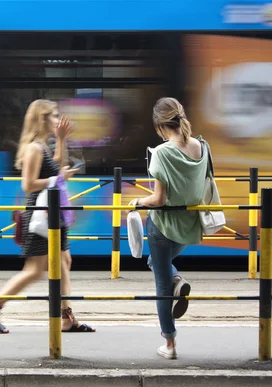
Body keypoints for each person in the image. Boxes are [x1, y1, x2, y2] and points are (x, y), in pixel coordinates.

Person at [0, 99, 95, 334]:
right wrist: (58, 179)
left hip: (52, 214)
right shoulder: (34, 148)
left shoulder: (43, 146)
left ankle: (67, 317)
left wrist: (62, 141)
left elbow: (55, 167)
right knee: (35, 270)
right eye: (53, 115)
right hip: (40, 217)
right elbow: (28, 184)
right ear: (41, 119)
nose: (57, 119)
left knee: (65, 262)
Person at [128, 97, 208, 360]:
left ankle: (170, 344)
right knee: (158, 265)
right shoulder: (201, 147)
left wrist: (138, 201)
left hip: (162, 225)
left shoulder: (162, 152)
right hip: (189, 225)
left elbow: (159, 200)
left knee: (161, 285)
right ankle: (177, 280)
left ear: (160, 127)